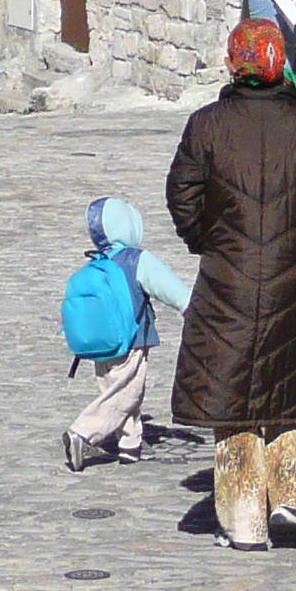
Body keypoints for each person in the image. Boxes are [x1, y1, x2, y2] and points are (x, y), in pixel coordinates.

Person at [167, 14, 296, 550]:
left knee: (233, 401)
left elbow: (182, 195)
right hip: (294, 281)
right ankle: (294, 498)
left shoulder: (206, 126)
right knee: (287, 393)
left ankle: (245, 515)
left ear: (233, 64)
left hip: (227, 279)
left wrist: (209, 241)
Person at [62, 196, 192, 472]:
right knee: (126, 395)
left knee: (117, 391)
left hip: (103, 344)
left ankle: (130, 445)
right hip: (131, 340)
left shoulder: (97, 262)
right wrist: (190, 305)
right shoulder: (136, 260)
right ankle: (82, 433)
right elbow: (166, 285)